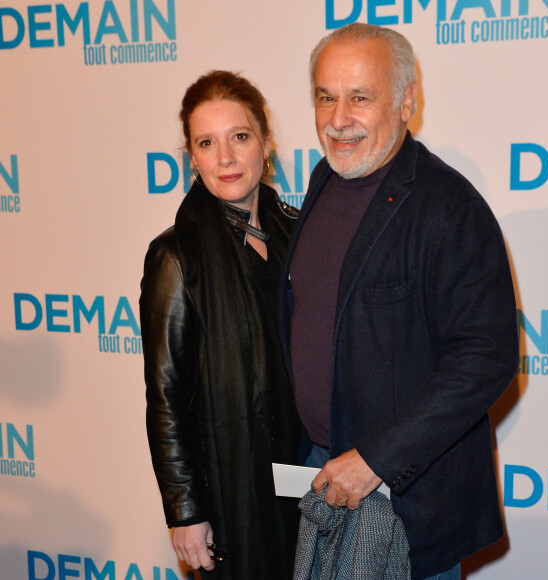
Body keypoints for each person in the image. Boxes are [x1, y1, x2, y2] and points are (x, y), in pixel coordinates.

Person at [280, 24, 519, 580]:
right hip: (321, 471)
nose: (339, 119)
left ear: (407, 101)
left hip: (404, 497)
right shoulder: (323, 179)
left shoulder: (449, 207)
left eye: (360, 97)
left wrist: (375, 461)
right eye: (325, 97)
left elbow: (485, 357)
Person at [140, 70, 300, 579]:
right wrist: (186, 512)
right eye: (207, 142)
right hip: (231, 491)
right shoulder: (175, 256)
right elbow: (164, 396)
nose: (226, 157)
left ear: (266, 142)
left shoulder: (299, 235)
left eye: (240, 137)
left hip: (305, 476)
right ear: (191, 157)